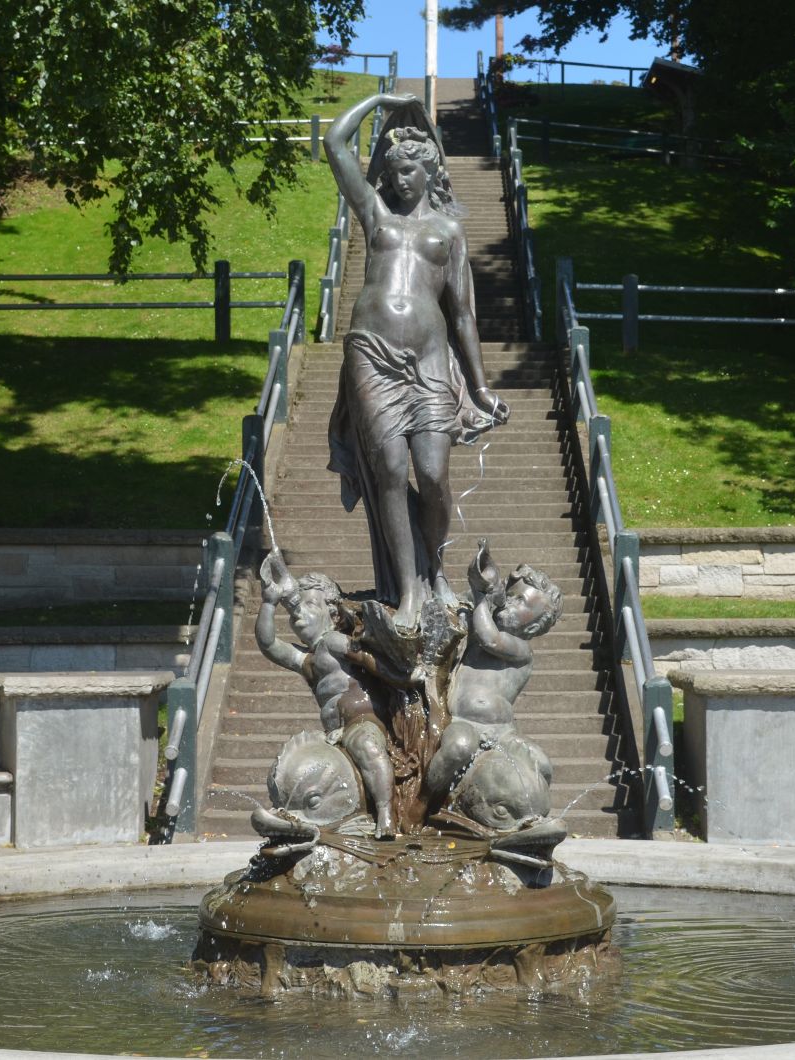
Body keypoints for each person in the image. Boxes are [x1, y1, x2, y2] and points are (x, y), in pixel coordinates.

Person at [323, 93, 510, 629]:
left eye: (409, 170)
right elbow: (335, 142)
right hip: (370, 353)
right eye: (392, 170)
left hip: (429, 359)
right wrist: (381, 100)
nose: (399, 179)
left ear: (429, 171)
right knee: (390, 471)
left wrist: (480, 387)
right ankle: (408, 592)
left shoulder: (448, 232)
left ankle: (438, 569)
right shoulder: (374, 213)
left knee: (431, 473)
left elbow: (464, 316)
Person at [255, 552, 398, 838]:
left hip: (362, 721)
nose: (297, 613)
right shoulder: (306, 660)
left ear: (333, 614)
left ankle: (386, 814)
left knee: (367, 747)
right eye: (294, 611)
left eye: (308, 605)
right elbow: (269, 644)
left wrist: (402, 678)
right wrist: (269, 603)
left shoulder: (333, 641)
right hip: (332, 732)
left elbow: (369, 659)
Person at [426, 562, 564, 806]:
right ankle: (425, 801)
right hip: (464, 722)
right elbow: (459, 613)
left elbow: (490, 638)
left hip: (503, 732)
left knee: (541, 764)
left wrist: (481, 597)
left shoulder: (520, 650)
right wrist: (485, 589)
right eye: (510, 596)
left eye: (520, 601)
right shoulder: (476, 627)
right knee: (458, 748)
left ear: (532, 626)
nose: (510, 602)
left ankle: (531, 811)